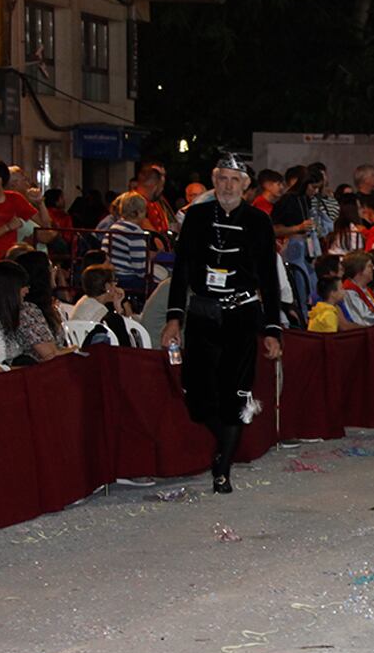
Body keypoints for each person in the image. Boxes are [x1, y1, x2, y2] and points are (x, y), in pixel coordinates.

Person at [158, 154, 282, 494]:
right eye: (222, 178)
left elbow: (269, 280)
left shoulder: (258, 221)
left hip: (241, 316)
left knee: (235, 393)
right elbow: (181, 271)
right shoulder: (196, 216)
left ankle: (222, 467)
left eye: (234, 179)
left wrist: (272, 330)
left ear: (245, 185)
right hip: (201, 315)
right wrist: (174, 319)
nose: (227, 185)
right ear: (215, 181)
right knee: (197, 397)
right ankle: (224, 446)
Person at [0, 261, 59, 366]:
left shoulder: (12, 313)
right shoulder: (25, 311)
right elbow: (50, 355)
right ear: (9, 289)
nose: (27, 290)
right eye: (23, 286)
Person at [104, 191, 151, 301]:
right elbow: (140, 269)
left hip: (113, 275)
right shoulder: (135, 233)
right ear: (138, 212)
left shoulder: (113, 228)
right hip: (128, 278)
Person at [0, 162, 37, 256]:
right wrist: (7, 227)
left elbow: (45, 224)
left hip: (9, 261)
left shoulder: (14, 199)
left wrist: (40, 203)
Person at [337, 250, 374, 327]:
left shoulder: (364, 288)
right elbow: (364, 319)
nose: (373, 268)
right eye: (370, 266)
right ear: (359, 271)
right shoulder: (350, 292)